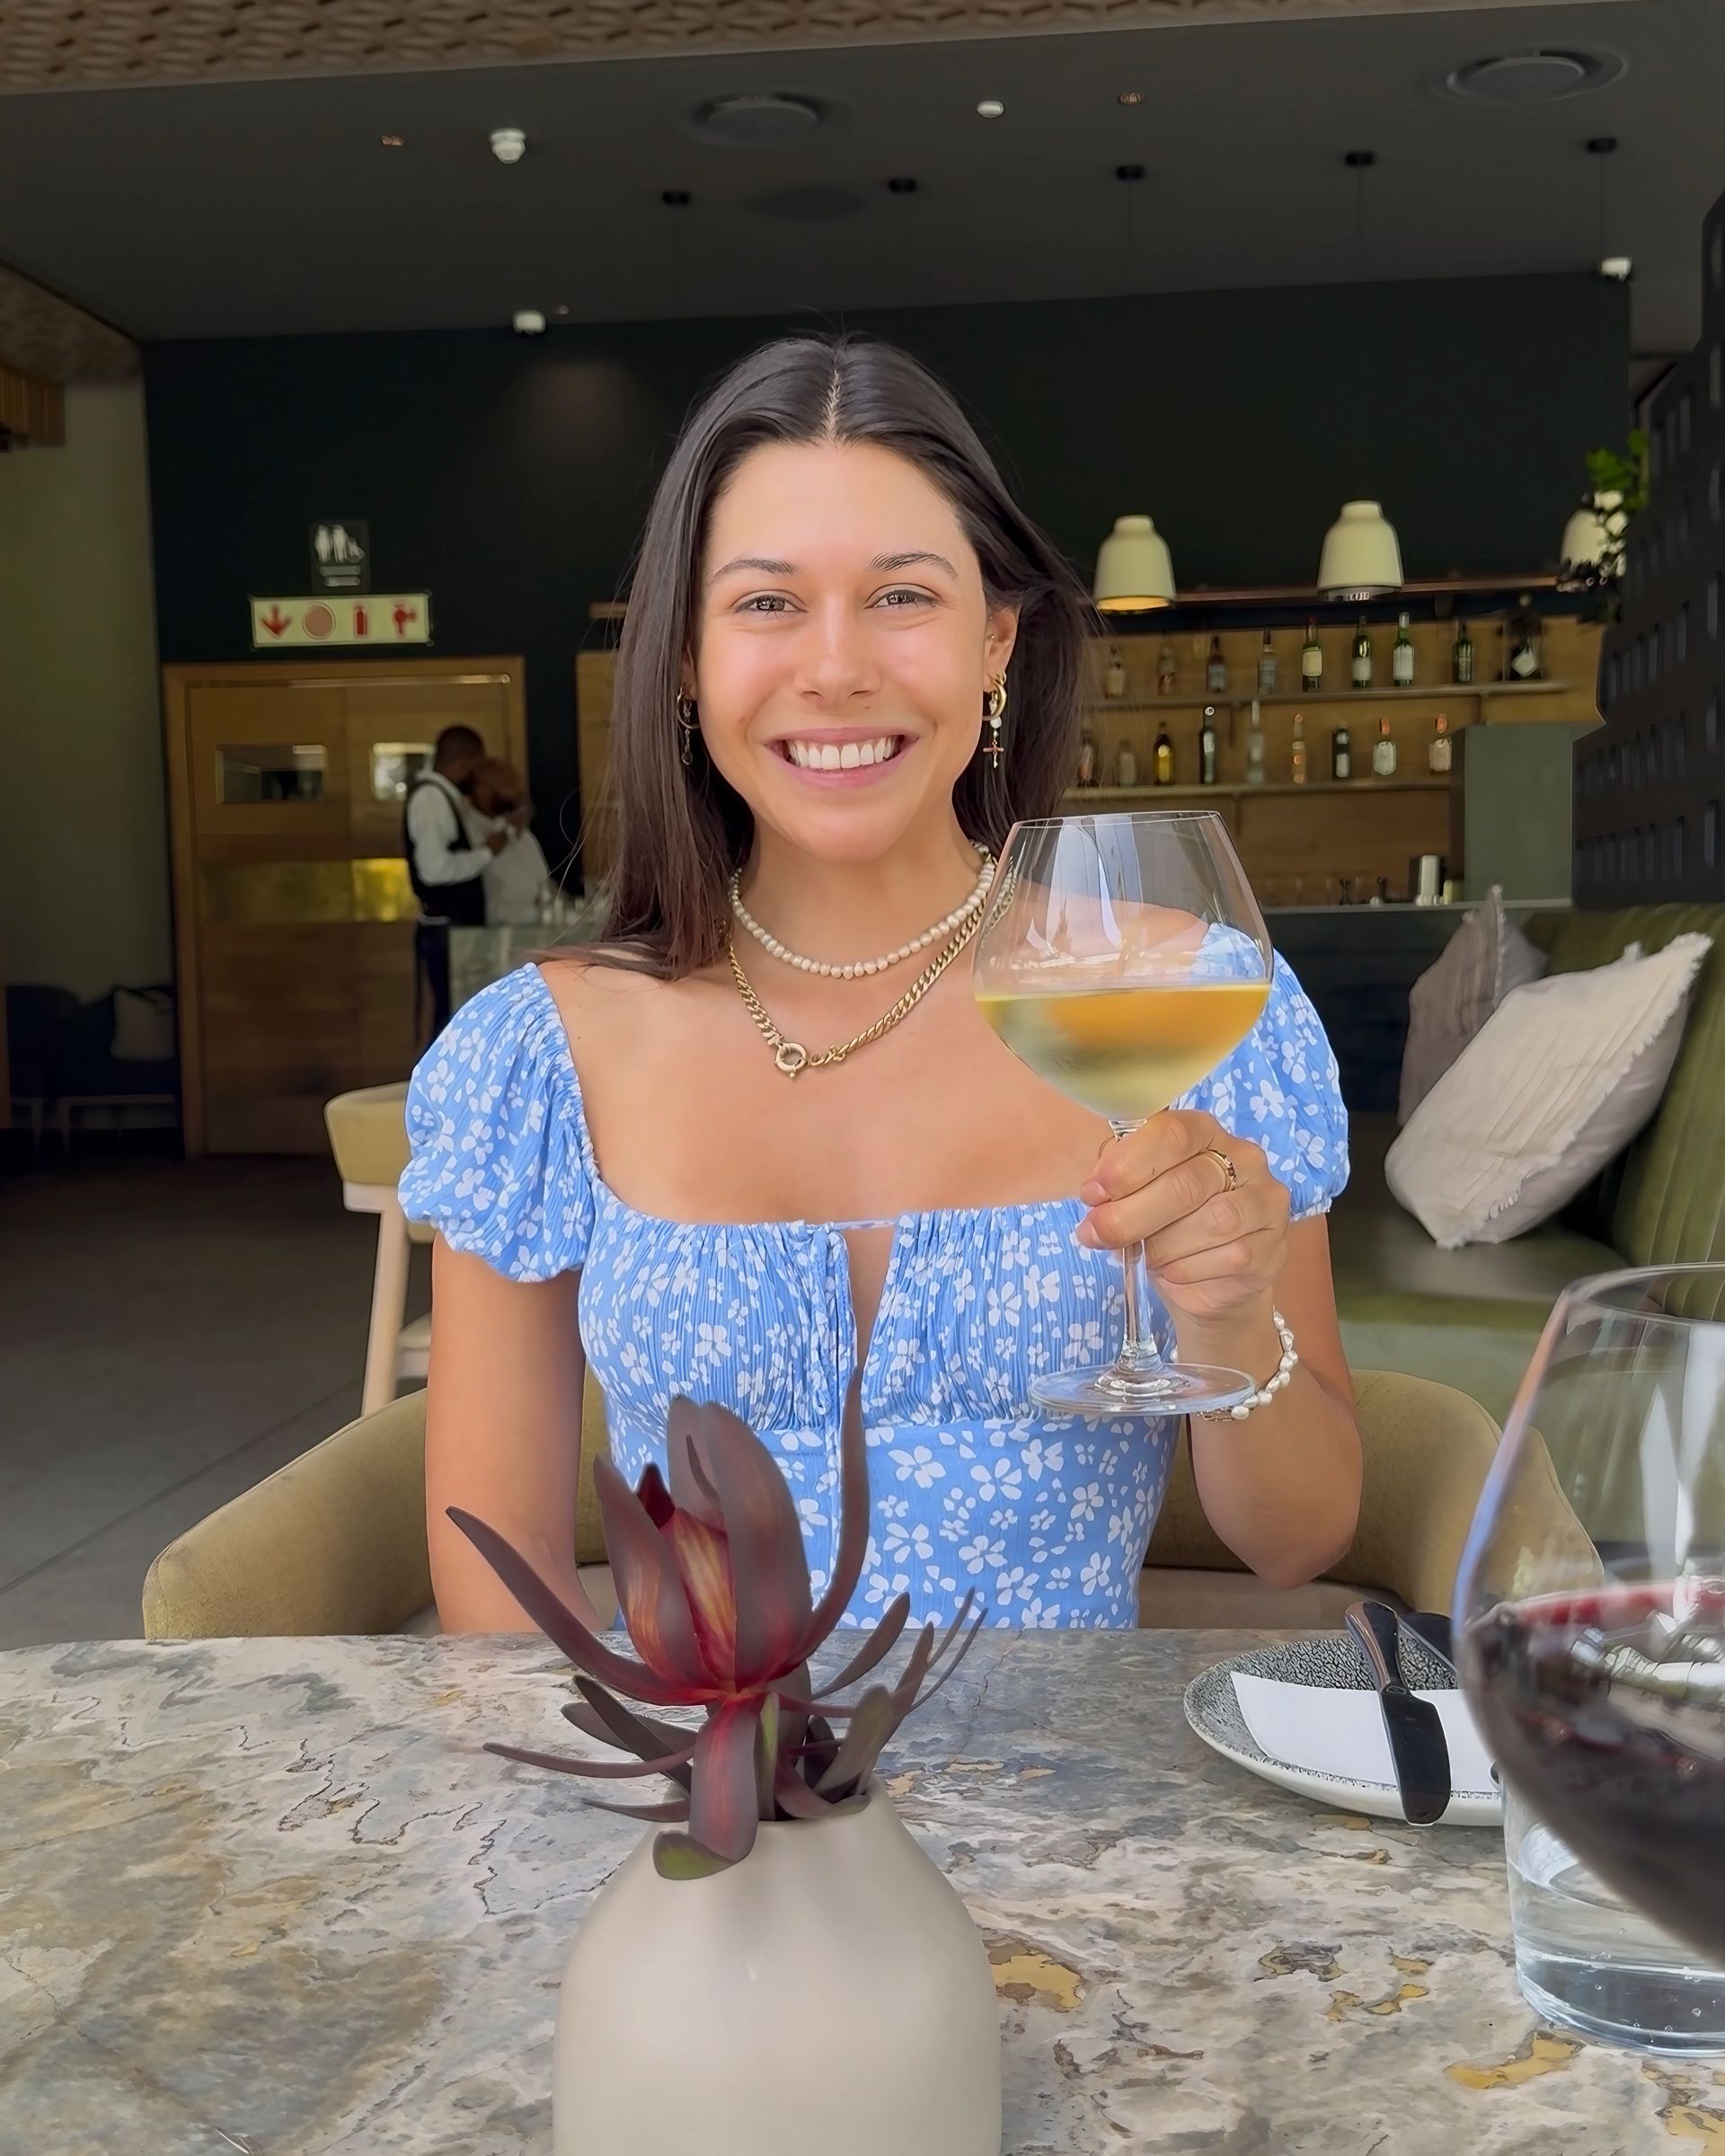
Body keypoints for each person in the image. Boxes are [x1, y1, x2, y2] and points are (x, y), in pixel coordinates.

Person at [402, 335, 1362, 1634]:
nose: (838, 666)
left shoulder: (1193, 1004)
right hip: (700, 1813)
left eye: (903, 596)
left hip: (1068, 1821)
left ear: (997, 643)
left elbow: (1300, 1539)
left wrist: (1233, 1321)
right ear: (684, 660)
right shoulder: (546, 1049)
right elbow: (496, 1571)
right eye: (765, 603)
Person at [402, 724, 506, 1040]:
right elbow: (434, 869)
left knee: (457, 1015)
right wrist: (486, 853)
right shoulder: (431, 800)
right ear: (463, 763)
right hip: (446, 930)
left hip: (453, 929)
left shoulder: (441, 798)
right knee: (451, 1021)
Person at [468, 757, 554, 926]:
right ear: (482, 792)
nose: (519, 792)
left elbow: (544, 885)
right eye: (509, 785)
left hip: (538, 933)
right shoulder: (469, 835)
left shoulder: (522, 834)